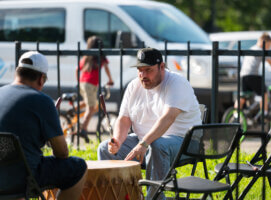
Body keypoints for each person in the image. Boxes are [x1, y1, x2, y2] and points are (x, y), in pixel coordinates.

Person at [97, 48, 202, 199]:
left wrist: (144, 143)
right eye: (140, 70)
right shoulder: (134, 86)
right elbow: (124, 118)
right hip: (147, 142)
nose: (143, 75)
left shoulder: (177, 83)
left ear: (161, 66)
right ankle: (121, 196)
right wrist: (117, 141)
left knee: (156, 145)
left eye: (148, 70)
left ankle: (153, 197)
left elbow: (168, 117)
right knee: (104, 149)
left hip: (185, 143)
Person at [0, 51, 87, 200]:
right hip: (24, 180)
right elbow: (62, 153)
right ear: (41, 79)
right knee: (78, 168)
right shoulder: (41, 100)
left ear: (17, 73)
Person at [236, 32, 271, 115]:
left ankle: (235, 114)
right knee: (264, 92)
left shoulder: (252, 48)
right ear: (264, 42)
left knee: (243, 96)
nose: (268, 48)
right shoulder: (260, 50)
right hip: (252, 75)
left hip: (243, 75)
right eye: (268, 46)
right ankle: (265, 113)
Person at [76, 35, 114, 142]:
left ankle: (73, 110)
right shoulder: (101, 56)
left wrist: (78, 82)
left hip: (83, 83)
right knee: (91, 108)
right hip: (91, 84)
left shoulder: (86, 56)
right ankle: (83, 129)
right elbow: (106, 68)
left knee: (90, 103)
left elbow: (76, 69)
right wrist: (110, 80)